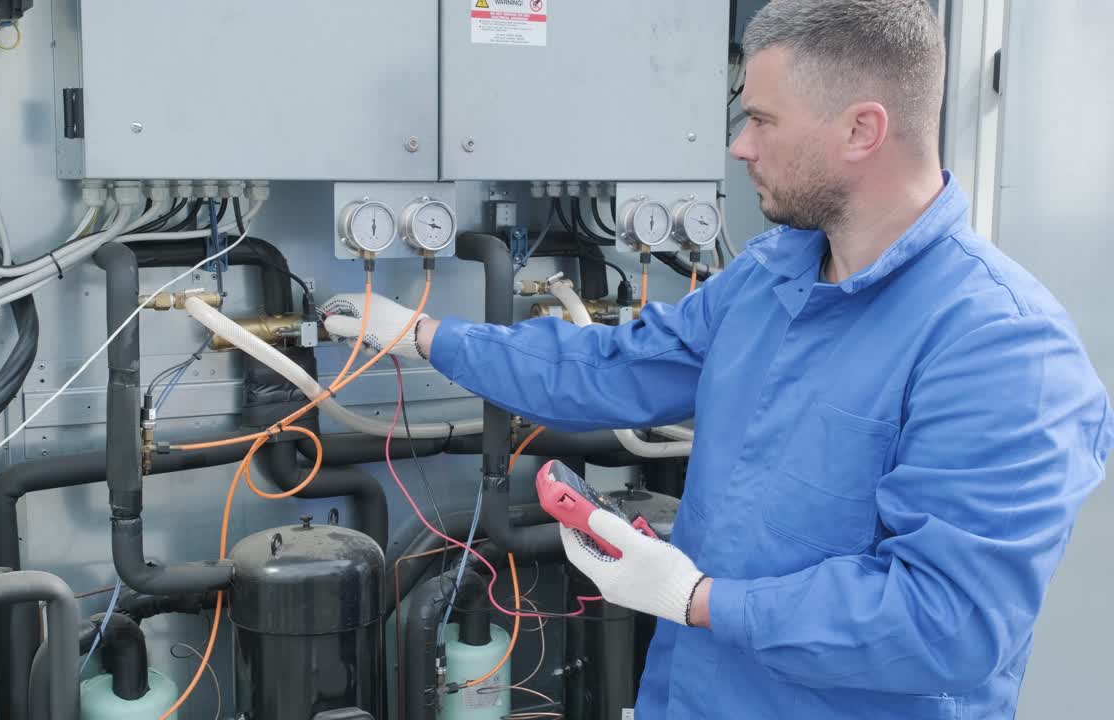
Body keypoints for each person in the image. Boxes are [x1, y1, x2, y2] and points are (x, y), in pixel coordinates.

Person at [322, 0, 1112, 716]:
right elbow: (618, 367)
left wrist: (698, 599)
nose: (739, 145)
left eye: (762, 120)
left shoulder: (1004, 349)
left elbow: (947, 621)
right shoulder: (773, 275)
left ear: (861, 131)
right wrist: (427, 336)